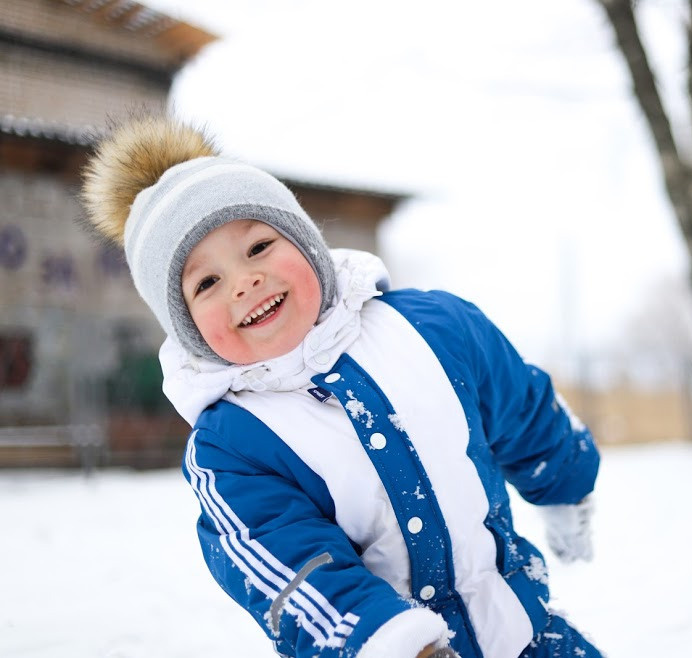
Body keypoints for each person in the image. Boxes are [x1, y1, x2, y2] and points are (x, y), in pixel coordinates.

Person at [80, 115, 603, 658]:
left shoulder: (433, 327)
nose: (244, 281)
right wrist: (395, 645)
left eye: (258, 247)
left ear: (306, 242)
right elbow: (289, 570)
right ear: (187, 327)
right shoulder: (231, 445)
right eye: (206, 282)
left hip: (527, 631)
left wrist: (566, 481)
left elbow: (520, 403)